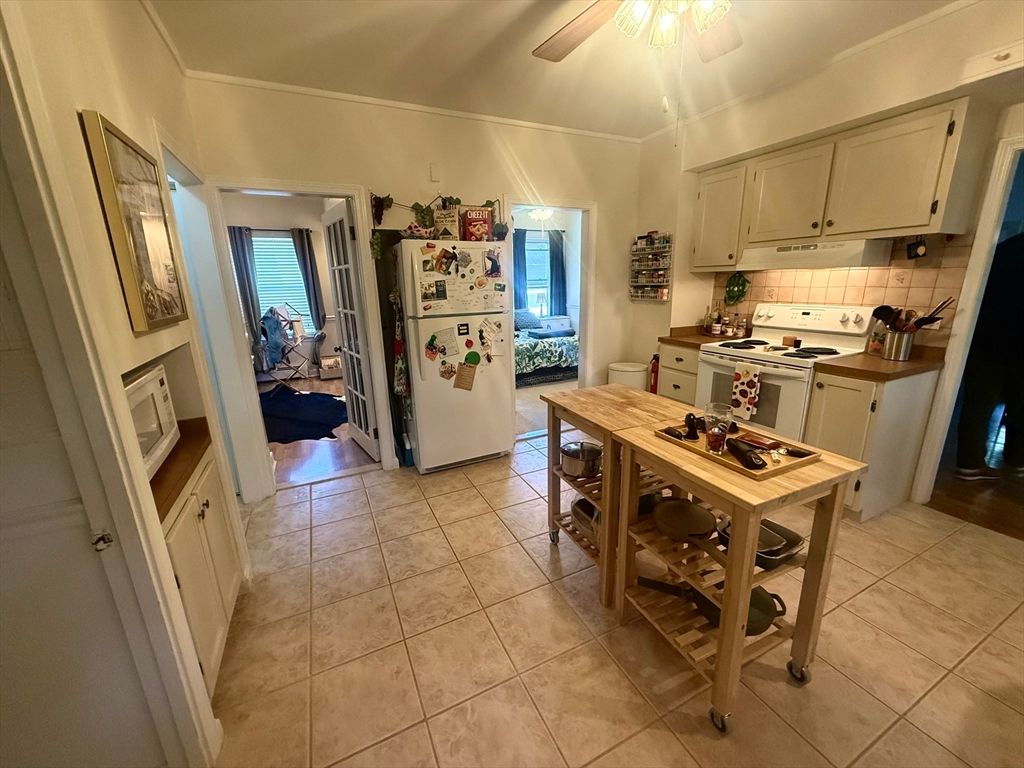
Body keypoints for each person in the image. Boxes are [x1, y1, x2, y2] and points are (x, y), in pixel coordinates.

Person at [956, 232, 1024, 480]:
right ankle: (1018, 461)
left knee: (977, 406)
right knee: (1020, 405)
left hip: (982, 339)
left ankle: (969, 464)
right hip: (1017, 346)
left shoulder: (1001, 250)